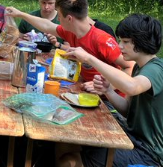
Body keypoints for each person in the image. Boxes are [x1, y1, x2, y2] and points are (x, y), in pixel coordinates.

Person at [60, 13, 163, 167]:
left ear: (142, 42)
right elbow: (128, 111)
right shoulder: (139, 69)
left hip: (148, 153)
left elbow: (132, 87)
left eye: (125, 42)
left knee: (70, 161)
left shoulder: (156, 69)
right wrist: (108, 91)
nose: (120, 46)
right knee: (69, 143)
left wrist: (89, 58)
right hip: (130, 137)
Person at [6, 0, 135, 90]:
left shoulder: (101, 39)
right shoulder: (71, 32)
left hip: (109, 103)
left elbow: (131, 67)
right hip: (83, 88)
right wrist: (20, 14)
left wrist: (107, 87)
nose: (58, 20)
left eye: (59, 16)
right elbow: (46, 25)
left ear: (69, 19)